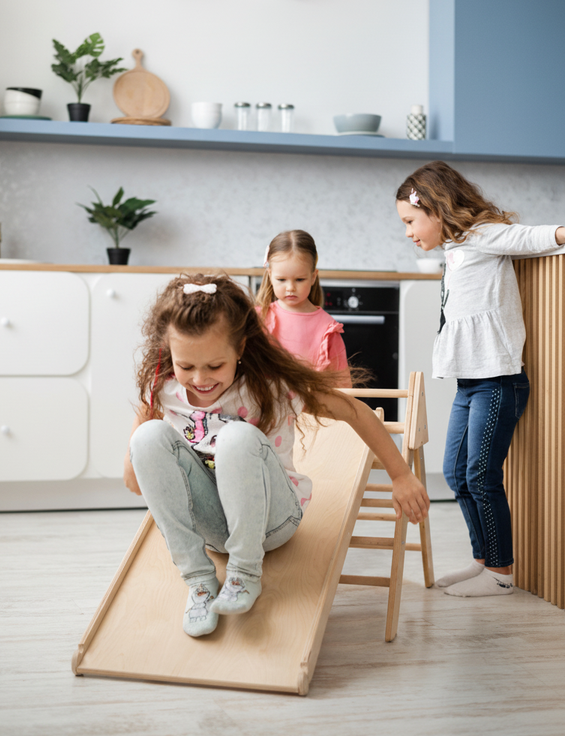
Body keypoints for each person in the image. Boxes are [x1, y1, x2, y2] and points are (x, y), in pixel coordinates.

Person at [123, 273, 429, 637]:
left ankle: (245, 574)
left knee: (235, 438)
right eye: (185, 366)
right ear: (168, 352)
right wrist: (144, 426)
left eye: (215, 365)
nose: (200, 378)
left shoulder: (268, 385)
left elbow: (354, 411)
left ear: (240, 349)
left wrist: (400, 475)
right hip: (212, 526)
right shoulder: (164, 388)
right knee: (147, 436)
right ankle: (200, 583)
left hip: (271, 521)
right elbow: (135, 484)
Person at [395, 160, 565, 597]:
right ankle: (482, 560)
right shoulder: (455, 251)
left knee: (481, 475)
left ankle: (502, 573)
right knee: (456, 473)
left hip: (498, 381)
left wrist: (564, 233)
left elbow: (522, 236)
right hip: (469, 383)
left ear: (436, 209)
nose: (408, 232)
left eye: (411, 220)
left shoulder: (481, 235)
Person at [256, 230, 351, 387]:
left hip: (313, 410)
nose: (290, 287)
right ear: (270, 275)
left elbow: (343, 387)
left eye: (300, 279)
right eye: (281, 279)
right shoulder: (258, 319)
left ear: (313, 276)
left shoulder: (327, 329)